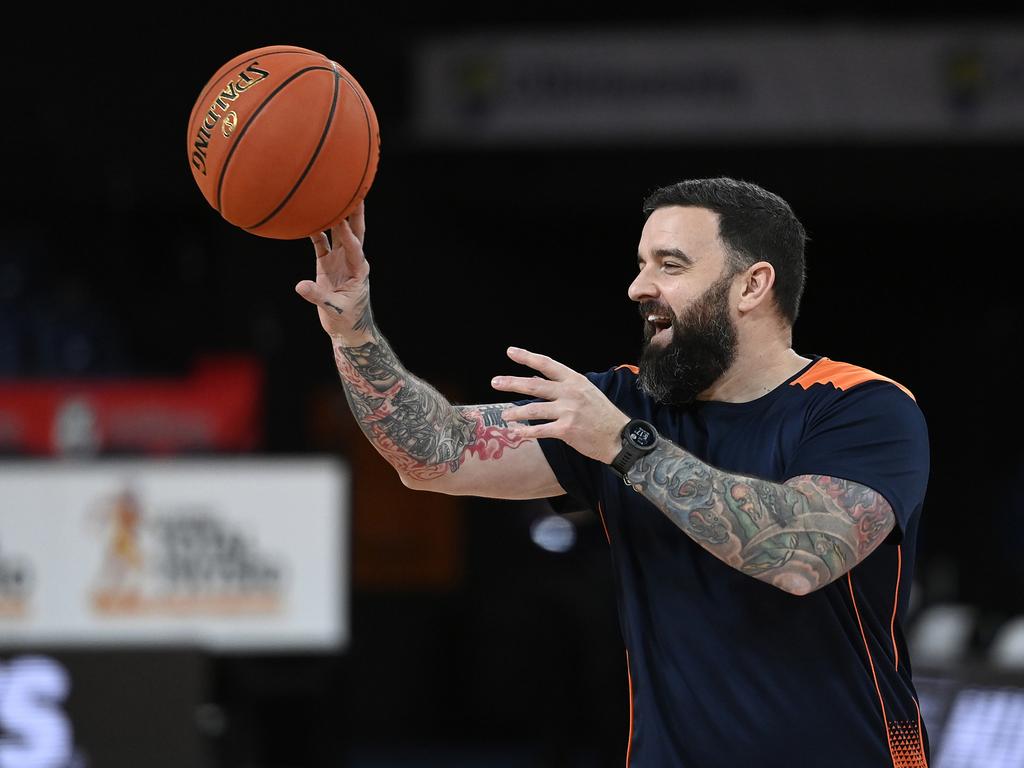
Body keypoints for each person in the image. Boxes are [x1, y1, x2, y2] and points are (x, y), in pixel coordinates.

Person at [295, 177, 930, 768]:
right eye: (641, 262)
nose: (638, 286)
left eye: (670, 265)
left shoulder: (862, 407)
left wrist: (625, 447)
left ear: (752, 285)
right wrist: (353, 328)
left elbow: (802, 553)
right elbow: (431, 453)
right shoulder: (627, 408)